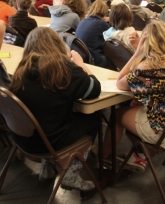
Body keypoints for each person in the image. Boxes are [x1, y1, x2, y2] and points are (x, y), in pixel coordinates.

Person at [10, 26, 101, 190]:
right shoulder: (64, 69)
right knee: (92, 118)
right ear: (57, 45)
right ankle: (70, 175)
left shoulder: (21, 69)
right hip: (49, 143)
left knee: (47, 116)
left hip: (22, 138)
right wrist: (80, 65)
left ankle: (47, 168)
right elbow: (94, 89)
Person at [102, 21, 165, 170]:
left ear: (146, 42)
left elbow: (120, 83)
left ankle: (104, 158)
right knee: (138, 105)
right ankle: (139, 153)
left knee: (117, 115)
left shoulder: (146, 69)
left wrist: (137, 52)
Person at [75, 0, 110, 67]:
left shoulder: (83, 20)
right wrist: (111, 20)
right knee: (112, 58)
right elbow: (114, 38)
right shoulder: (101, 24)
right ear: (105, 11)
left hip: (81, 56)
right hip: (93, 59)